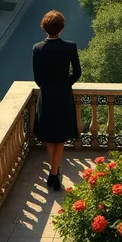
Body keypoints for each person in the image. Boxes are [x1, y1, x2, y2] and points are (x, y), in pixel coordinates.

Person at [32, 10, 81, 191]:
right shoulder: (70, 46)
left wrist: (48, 86)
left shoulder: (38, 48)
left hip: (47, 95)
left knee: (50, 136)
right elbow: (77, 72)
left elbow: (37, 77)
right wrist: (64, 84)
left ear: (44, 27)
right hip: (63, 95)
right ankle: (54, 173)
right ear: (62, 27)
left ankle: (52, 172)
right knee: (60, 137)